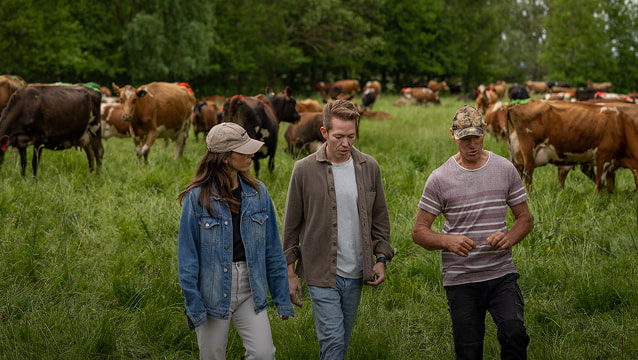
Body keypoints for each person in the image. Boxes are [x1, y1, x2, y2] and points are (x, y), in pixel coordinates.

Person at [411, 105, 533, 360]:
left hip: (501, 274)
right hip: (461, 279)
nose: (472, 144)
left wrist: (509, 237)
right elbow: (419, 232)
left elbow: (524, 219)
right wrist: (448, 241)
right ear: (453, 135)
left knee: (515, 334)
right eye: (465, 138)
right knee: (468, 351)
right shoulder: (439, 178)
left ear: (485, 131)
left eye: (476, 137)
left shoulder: (505, 169)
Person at [283, 99, 394, 359]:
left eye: (351, 136)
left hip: (356, 272)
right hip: (321, 273)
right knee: (332, 343)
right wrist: (289, 274)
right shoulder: (304, 170)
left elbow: (380, 220)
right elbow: (290, 227)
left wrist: (381, 259)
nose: (346, 144)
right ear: (324, 133)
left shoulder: (370, 167)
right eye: (338, 137)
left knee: (340, 343)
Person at [177, 122, 293, 360]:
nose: (252, 153)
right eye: (244, 150)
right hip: (212, 291)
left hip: (251, 288)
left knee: (264, 355)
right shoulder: (197, 198)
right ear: (225, 157)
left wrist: (282, 298)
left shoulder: (259, 193)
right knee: (212, 356)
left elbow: (272, 249)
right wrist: (194, 303)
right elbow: (187, 257)